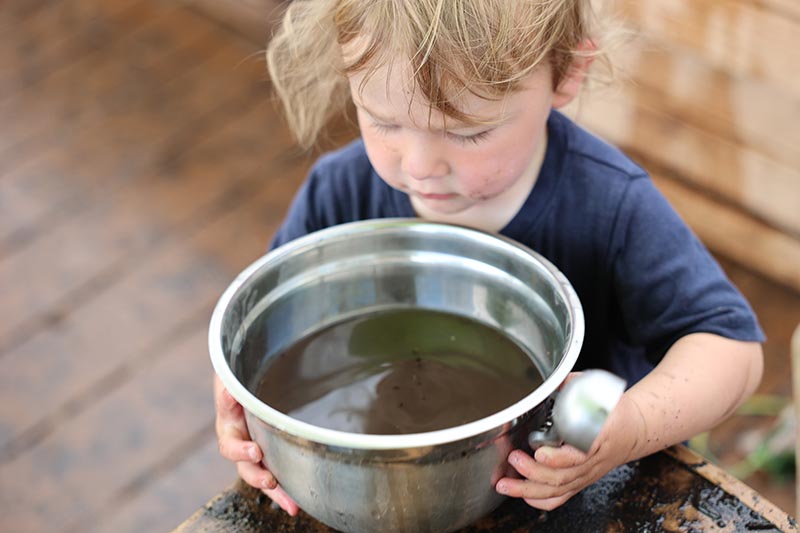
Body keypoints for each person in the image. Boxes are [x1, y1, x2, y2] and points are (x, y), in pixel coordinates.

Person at [214, 0, 764, 516]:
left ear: (567, 73)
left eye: (468, 132)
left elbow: (732, 349)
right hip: (379, 490)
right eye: (384, 121)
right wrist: (239, 415)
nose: (421, 165)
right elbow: (255, 330)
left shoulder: (610, 206)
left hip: (587, 488)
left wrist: (631, 426)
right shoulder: (341, 191)